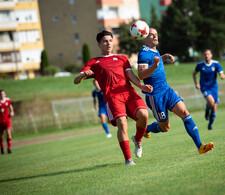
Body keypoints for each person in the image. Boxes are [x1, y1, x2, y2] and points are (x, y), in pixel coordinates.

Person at [74, 30, 153, 166]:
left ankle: (138, 140)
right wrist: (82, 75)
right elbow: (76, 80)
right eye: (105, 41)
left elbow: (131, 75)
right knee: (122, 123)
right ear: (99, 44)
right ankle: (128, 159)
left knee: (144, 115)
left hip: (129, 93)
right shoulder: (94, 62)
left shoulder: (122, 58)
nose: (108, 43)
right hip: (113, 98)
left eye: (110, 41)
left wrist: (141, 86)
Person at [137, 28, 213, 154]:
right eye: (152, 35)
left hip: (167, 90)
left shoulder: (154, 50)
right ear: (145, 37)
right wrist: (155, 65)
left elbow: (154, 61)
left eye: (156, 34)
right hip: (155, 97)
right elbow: (141, 75)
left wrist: (163, 57)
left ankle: (200, 146)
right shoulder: (143, 54)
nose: (155, 36)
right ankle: (146, 129)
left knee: (184, 112)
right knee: (165, 127)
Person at [193, 49, 225, 130]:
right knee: (211, 102)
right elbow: (194, 73)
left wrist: (222, 76)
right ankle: (207, 110)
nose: (206, 56)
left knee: (214, 108)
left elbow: (221, 72)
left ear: (211, 55)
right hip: (204, 87)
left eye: (208, 54)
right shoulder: (200, 65)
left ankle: (210, 125)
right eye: (205, 54)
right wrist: (196, 83)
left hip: (214, 88)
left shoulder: (216, 64)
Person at [0, 90, 14, 154]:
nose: (2, 95)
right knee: (1, 135)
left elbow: (10, 107)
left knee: (8, 133)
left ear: (5, 94)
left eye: (3, 93)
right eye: (1, 94)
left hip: (7, 119)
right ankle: (2, 148)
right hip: (0, 120)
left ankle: (9, 148)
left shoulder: (7, 100)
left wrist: (12, 112)